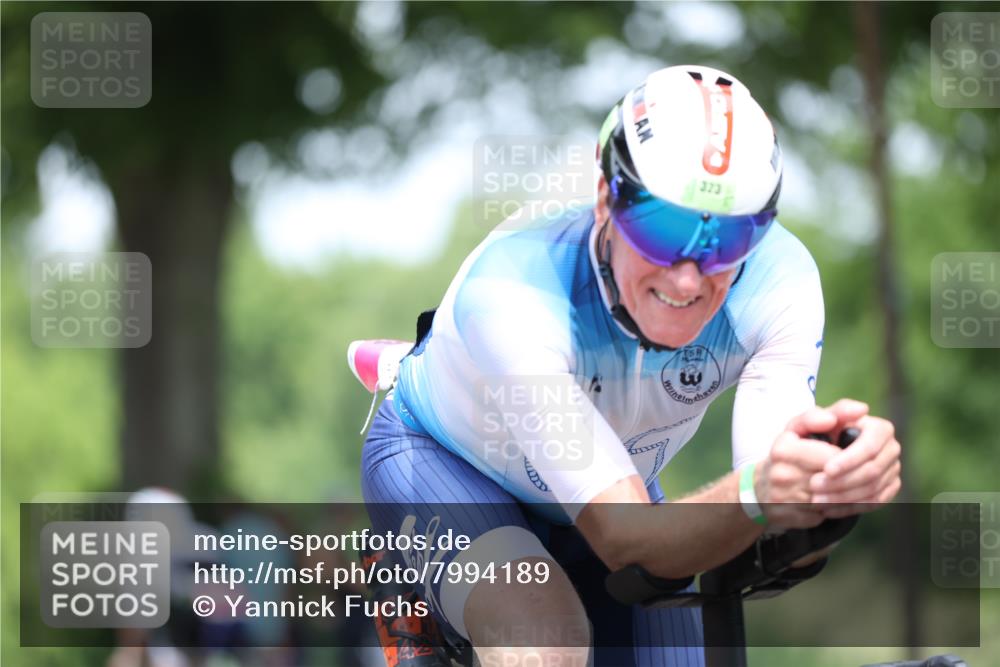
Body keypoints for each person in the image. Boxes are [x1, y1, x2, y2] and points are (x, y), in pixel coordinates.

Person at [352, 64, 902, 666]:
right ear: (605, 200)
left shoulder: (779, 283)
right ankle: (430, 612)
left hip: (614, 481)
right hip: (448, 461)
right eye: (661, 228)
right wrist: (759, 491)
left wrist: (829, 488)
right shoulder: (517, 293)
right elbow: (628, 537)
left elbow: (770, 537)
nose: (688, 276)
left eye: (725, 240)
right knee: (545, 639)